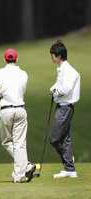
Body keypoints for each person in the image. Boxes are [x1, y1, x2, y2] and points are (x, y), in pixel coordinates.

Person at [0, 48, 35, 183]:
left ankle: (20, 174)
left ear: (4, 59)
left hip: (6, 110)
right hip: (20, 110)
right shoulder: (24, 74)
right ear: (16, 59)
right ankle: (25, 167)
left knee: (7, 141)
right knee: (20, 144)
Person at [49, 40, 80, 179]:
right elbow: (59, 84)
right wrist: (53, 88)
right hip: (62, 106)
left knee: (54, 139)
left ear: (59, 56)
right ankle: (70, 170)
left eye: (52, 55)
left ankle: (69, 159)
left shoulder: (68, 70)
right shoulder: (61, 68)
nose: (51, 58)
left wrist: (55, 92)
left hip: (65, 107)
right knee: (65, 139)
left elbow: (66, 88)